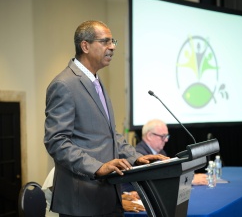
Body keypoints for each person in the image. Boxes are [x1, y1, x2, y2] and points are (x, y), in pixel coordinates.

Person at [44, 20, 168, 217]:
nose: (112, 47)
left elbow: (111, 135)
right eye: (105, 41)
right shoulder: (64, 85)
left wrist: (136, 158)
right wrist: (98, 168)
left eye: (113, 41)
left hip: (107, 197)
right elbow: (56, 142)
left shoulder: (96, 81)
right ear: (85, 46)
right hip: (82, 202)